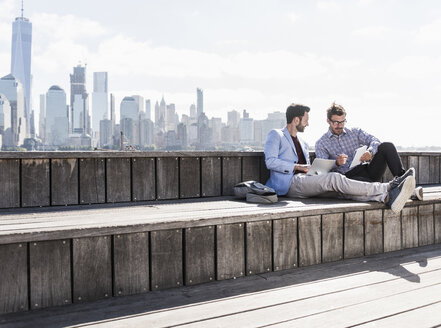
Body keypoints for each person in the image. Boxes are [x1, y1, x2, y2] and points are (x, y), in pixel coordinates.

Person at [264, 103, 415, 214]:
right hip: (290, 182)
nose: (308, 123)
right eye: (306, 120)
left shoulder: (304, 143)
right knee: (336, 180)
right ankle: (389, 188)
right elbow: (270, 162)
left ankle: (389, 196)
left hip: (309, 180)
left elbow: (318, 171)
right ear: (296, 120)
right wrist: (299, 167)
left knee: (341, 189)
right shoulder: (276, 134)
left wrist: (370, 151)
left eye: (342, 122)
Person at [314, 102, 422, 199]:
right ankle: (403, 190)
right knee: (366, 186)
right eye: (336, 123)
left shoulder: (354, 132)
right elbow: (322, 172)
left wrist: (370, 152)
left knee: (387, 146)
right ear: (328, 121)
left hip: (367, 170)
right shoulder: (321, 143)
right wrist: (336, 163)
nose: (340, 126)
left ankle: (403, 182)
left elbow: (375, 140)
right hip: (349, 180)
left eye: (342, 122)